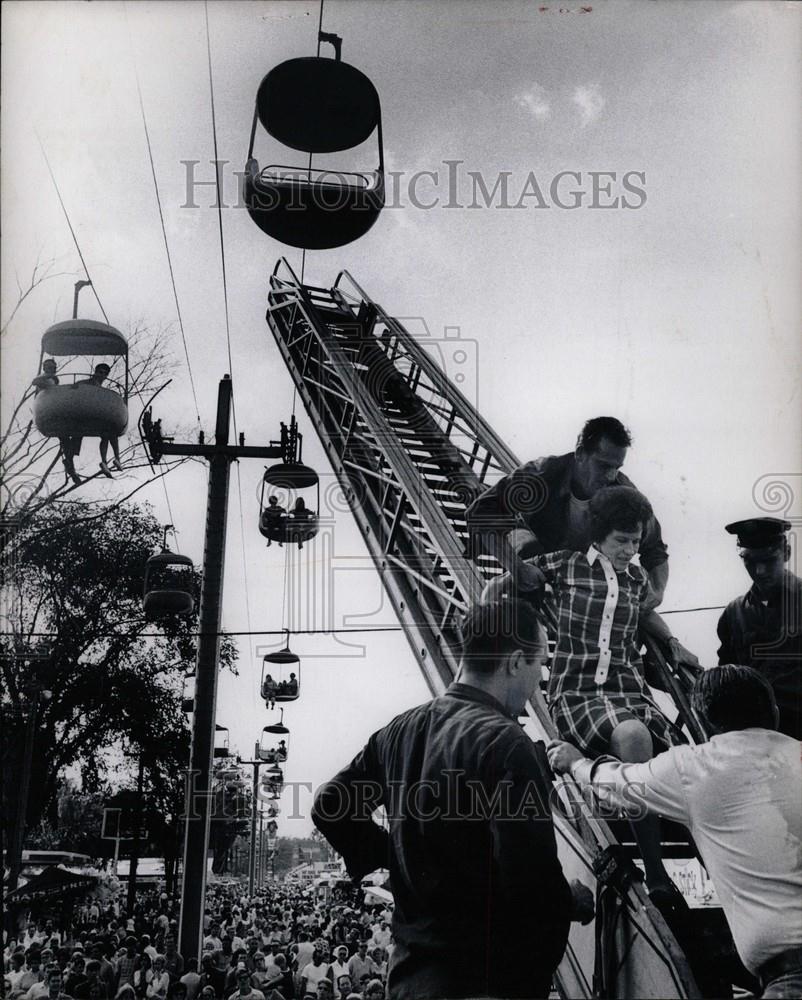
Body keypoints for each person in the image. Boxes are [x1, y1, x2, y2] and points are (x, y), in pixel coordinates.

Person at [312, 597, 594, 1000]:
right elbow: (530, 884)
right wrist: (571, 900)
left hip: (410, 980)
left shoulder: (397, 732)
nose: (540, 682)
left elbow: (328, 805)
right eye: (540, 665)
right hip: (483, 981)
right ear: (515, 662)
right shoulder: (508, 743)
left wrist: (395, 856)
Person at [491, 485, 696, 909]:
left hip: (627, 688)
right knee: (635, 737)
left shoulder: (636, 579)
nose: (629, 551)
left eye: (636, 542)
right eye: (622, 541)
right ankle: (657, 876)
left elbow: (644, 614)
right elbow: (502, 588)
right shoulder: (564, 566)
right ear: (598, 535)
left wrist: (673, 642)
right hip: (579, 691)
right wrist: (493, 625)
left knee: (689, 762)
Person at [548, 664, 802, 1000]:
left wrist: (575, 762)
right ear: (775, 714)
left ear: (703, 721)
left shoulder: (693, 768)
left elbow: (622, 784)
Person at [467, 416, 670, 609]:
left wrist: (658, 591)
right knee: (529, 552)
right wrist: (516, 568)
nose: (610, 476)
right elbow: (481, 513)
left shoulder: (624, 493)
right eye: (603, 465)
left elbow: (654, 547)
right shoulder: (542, 474)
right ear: (580, 454)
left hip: (579, 563)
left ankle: (669, 644)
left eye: (616, 467)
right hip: (532, 546)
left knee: (624, 593)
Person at [717, 517, 802, 739]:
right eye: (750, 561)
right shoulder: (733, 614)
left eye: (768, 560)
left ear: (787, 554)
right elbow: (727, 680)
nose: (760, 570)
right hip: (753, 738)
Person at [31, 359, 83, 485]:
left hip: (56, 410)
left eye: (53, 368)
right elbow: (35, 382)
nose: (52, 369)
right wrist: (50, 375)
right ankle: (70, 465)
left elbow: (57, 394)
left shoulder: (54, 380)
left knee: (75, 432)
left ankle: (70, 466)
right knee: (66, 436)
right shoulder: (43, 378)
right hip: (48, 411)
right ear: (45, 368)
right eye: (49, 367)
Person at [72, 363, 123, 477]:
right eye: (100, 372)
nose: (102, 375)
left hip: (97, 415)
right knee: (106, 434)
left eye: (105, 373)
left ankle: (110, 460)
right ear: (95, 372)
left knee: (110, 434)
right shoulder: (87, 383)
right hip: (86, 414)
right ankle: (71, 462)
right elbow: (76, 387)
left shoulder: (101, 389)